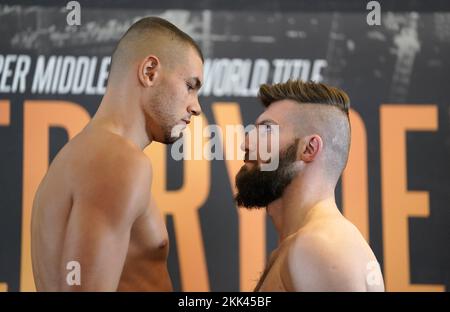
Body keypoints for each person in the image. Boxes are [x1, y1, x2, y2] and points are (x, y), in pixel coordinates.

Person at [31, 16, 204, 291]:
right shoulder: (118, 160)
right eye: (190, 86)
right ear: (149, 71)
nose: (196, 107)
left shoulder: (78, 156)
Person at [235, 80, 384, 291]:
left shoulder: (320, 247)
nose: (246, 143)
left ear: (309, 149)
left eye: (267, 129)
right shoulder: (315, 244)